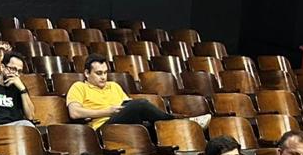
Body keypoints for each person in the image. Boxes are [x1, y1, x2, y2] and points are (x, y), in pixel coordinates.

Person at [66, 55, 210, 132]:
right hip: (103, 128)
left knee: (152, 126)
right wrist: (107, 111)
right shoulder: (79, 87)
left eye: (105, 73)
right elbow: (74, 113)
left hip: (125, 123)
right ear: (87, 73)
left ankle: (182, 127)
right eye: (98, 73)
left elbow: (127, 105)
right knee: (140, 104)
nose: (103, 77)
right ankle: (183, 122)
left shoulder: (113, 86)